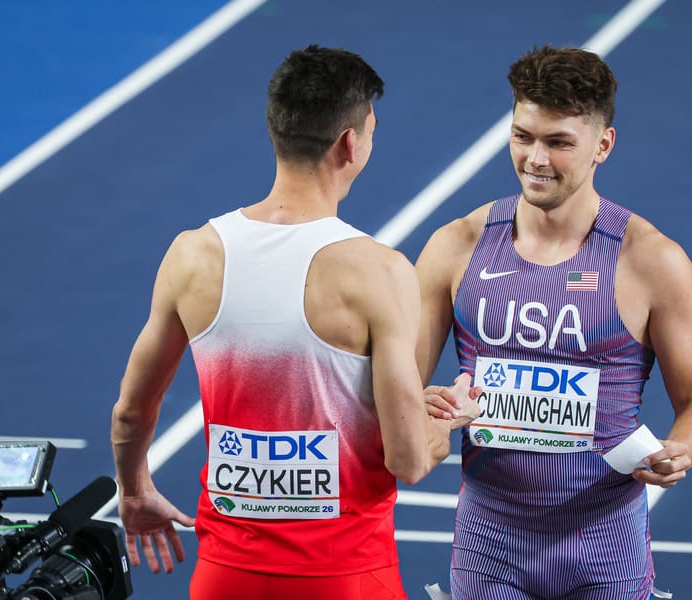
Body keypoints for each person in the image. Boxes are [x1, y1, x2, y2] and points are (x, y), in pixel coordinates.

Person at [110, 45, 479, 600]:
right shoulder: (378, 272)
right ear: (350, 143)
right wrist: (445, 424)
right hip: (346, 578)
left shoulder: (192, 256)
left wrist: (135, 491)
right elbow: (407, 459)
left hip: (224, 577)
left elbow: (131, 412)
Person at [416, 45, 692, 600]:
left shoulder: (653, 261)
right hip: (488, 548)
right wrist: (429, 410)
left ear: (603, 145)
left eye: (558, 143)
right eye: (522, 136)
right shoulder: (455, 246)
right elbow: (396, 396)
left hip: (606, 551)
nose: (535, 159)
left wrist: (681, 450)